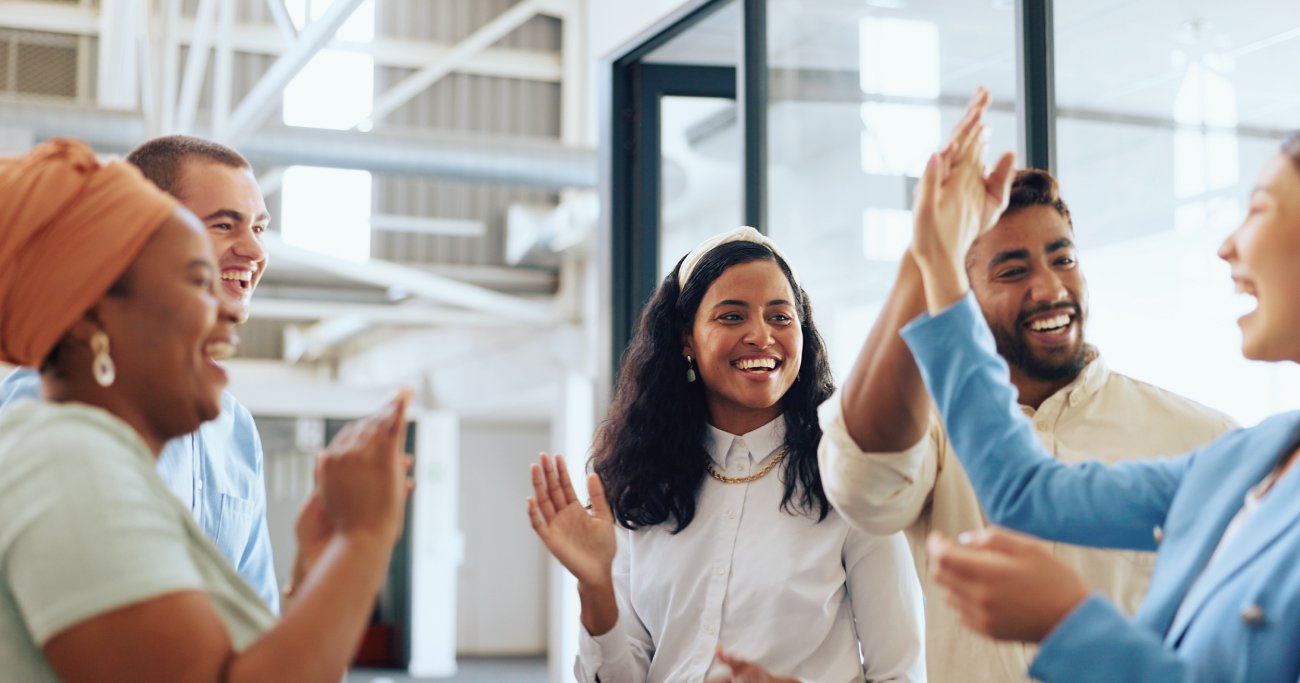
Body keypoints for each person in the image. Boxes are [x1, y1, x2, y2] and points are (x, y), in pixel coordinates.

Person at [816, 90, 1236, 681]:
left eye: (1063, 259)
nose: (1049, 288)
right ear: (957, 293)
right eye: (1012, 270)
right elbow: (860, 482)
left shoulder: (1207, 441)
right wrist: (927, 253)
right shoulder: (931, 432)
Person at [903, 104, 1300, 680]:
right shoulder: (1249, 457)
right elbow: (1028, 490)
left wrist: (1070, 623)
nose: (1227, 246)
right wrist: (939, 266)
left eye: (1259, 210)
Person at [0, 139, 410, 681]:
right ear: (92, 312)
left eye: (259, 228)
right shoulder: (61, 453)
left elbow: (256, 654)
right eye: (196, 278)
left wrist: (319, 570)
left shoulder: (231, 428)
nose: (224, 315)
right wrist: (363, 539)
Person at [527, 227, 925, 683]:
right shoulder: (640, 482)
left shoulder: (850, 476)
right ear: (685, 340)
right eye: (732, 317)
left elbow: (901, 674)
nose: (761, 335)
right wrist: (594, 587)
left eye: (780, 317)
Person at [0, 135, 279, 610]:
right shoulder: (48, 413)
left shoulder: (236, 429)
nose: (254, 250)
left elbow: (258, 613)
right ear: (140, 245)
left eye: (259, 226)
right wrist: (355, 545)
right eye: (224, 224)